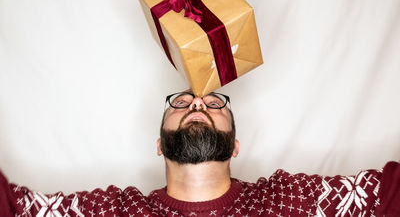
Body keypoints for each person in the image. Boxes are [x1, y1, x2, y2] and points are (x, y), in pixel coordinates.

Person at [0, 91, 399, 216]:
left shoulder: (287, 199)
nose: (196, 105)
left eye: (214, 103)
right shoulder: (116, 210)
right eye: (182, 102)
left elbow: (388, 194)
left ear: (235, 146)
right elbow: (14, 208)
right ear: (159, 145)